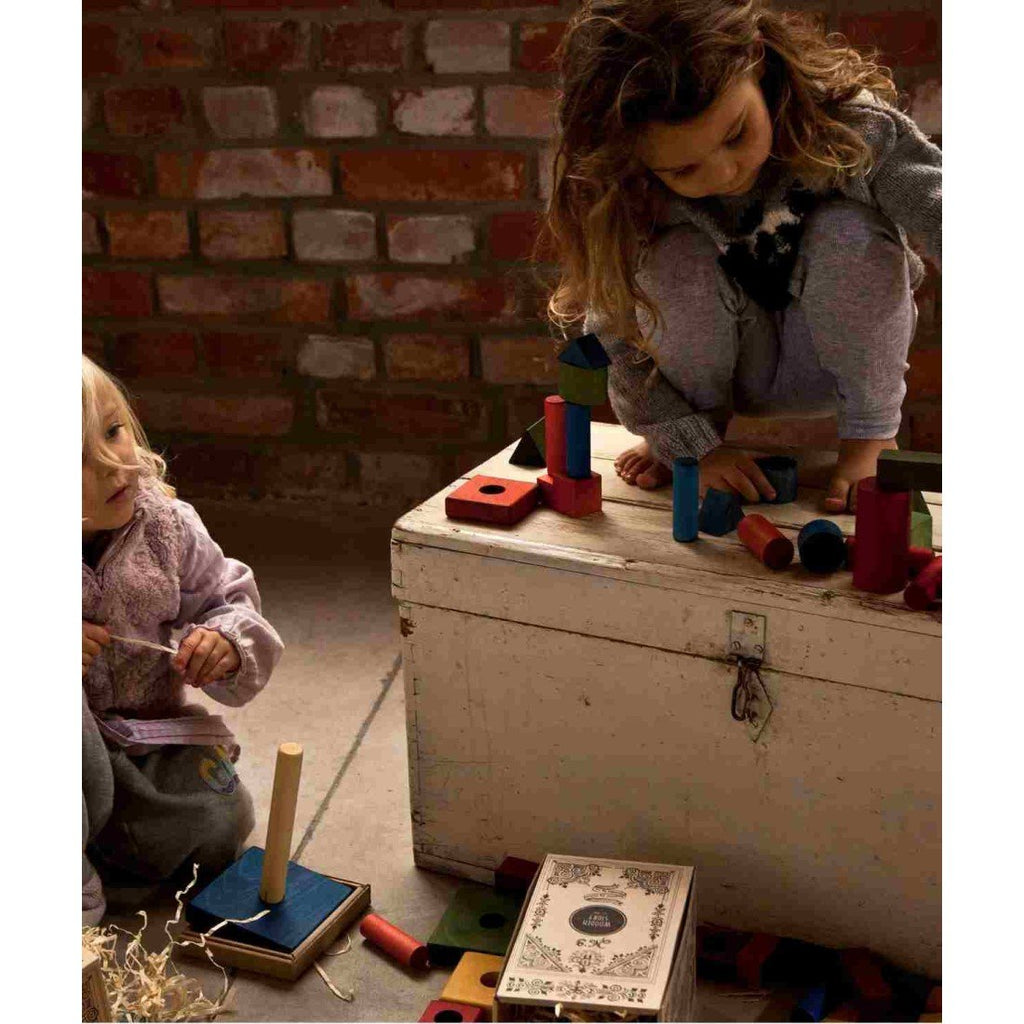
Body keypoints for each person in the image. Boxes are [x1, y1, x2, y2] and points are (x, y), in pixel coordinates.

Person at [543, 0, 941, 511]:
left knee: (849, 228)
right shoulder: (629, 194)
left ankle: (870, 437)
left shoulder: (850, 125)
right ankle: (697, 430)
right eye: (685, 170)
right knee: (673, 258)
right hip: (717, 375)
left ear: (756, 60)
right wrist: (685, 441)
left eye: (736, 135)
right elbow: (614, 337)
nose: (725, 173)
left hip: (837, 358)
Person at [82, 355, 284, 924]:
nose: (113, 465)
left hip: (143, 740)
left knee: (222, 818)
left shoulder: (164, 525)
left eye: (114, 431)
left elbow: (227, 596)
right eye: (77, 459)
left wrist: (226, 640)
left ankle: (104, 840)